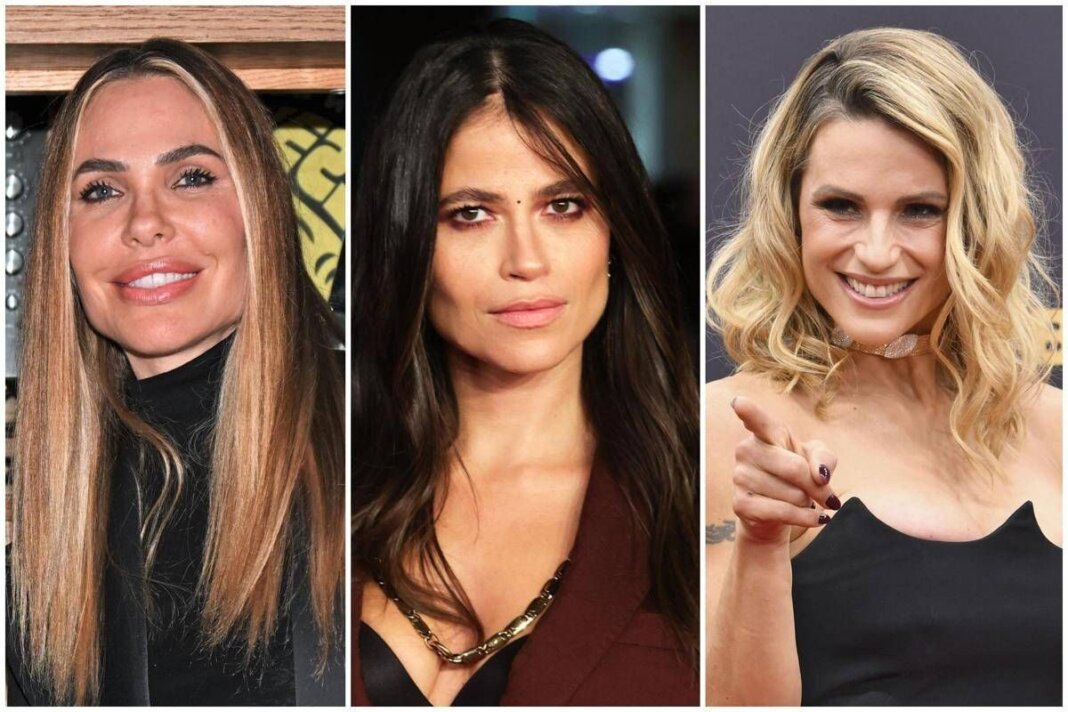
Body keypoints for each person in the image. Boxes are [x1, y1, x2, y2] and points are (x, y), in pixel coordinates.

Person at [705, 27, 1061, 705]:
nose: (875, 252)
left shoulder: (1054, 427)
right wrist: (760, 543)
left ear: (973, 222)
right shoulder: (728, 429)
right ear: (791, 213)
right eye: (841, 206)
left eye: (919, 211)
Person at [352, 19, 699, 706]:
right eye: (470, 215)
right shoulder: (327, 481)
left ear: (614, 233)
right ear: (407, 241)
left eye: (564, 206)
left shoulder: (699, 492)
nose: (526, 261)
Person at [7, 39, 345, 706]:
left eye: (190, 177)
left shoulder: (378, 438)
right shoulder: (49, 528)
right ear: (61, 242)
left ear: (259, 207)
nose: (145, 224)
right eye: (101, 190)